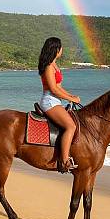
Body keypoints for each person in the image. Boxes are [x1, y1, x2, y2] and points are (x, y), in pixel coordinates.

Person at [38, 37, 80, 173]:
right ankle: (65, 160)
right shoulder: (49, 66)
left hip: (56, 101)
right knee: (70, 126)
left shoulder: (56, 66)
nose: (62, 49)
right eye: (61, 47)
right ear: (56, 49)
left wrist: (71, 97)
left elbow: (59, 88)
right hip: (49, 101)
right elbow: (53, 89)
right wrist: (69, 98)